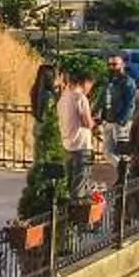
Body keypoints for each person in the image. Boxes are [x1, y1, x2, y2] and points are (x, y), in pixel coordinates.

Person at [59, 73, 99, 201]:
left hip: (68, 145)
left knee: (70, 184)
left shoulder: (63, 97)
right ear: (86, 83)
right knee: (79, 188)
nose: (90, 90)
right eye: (90, 86)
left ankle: (68, 214)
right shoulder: (80, 98)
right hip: (81, 146)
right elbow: (86, 122)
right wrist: (95, 123)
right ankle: (76, 217)